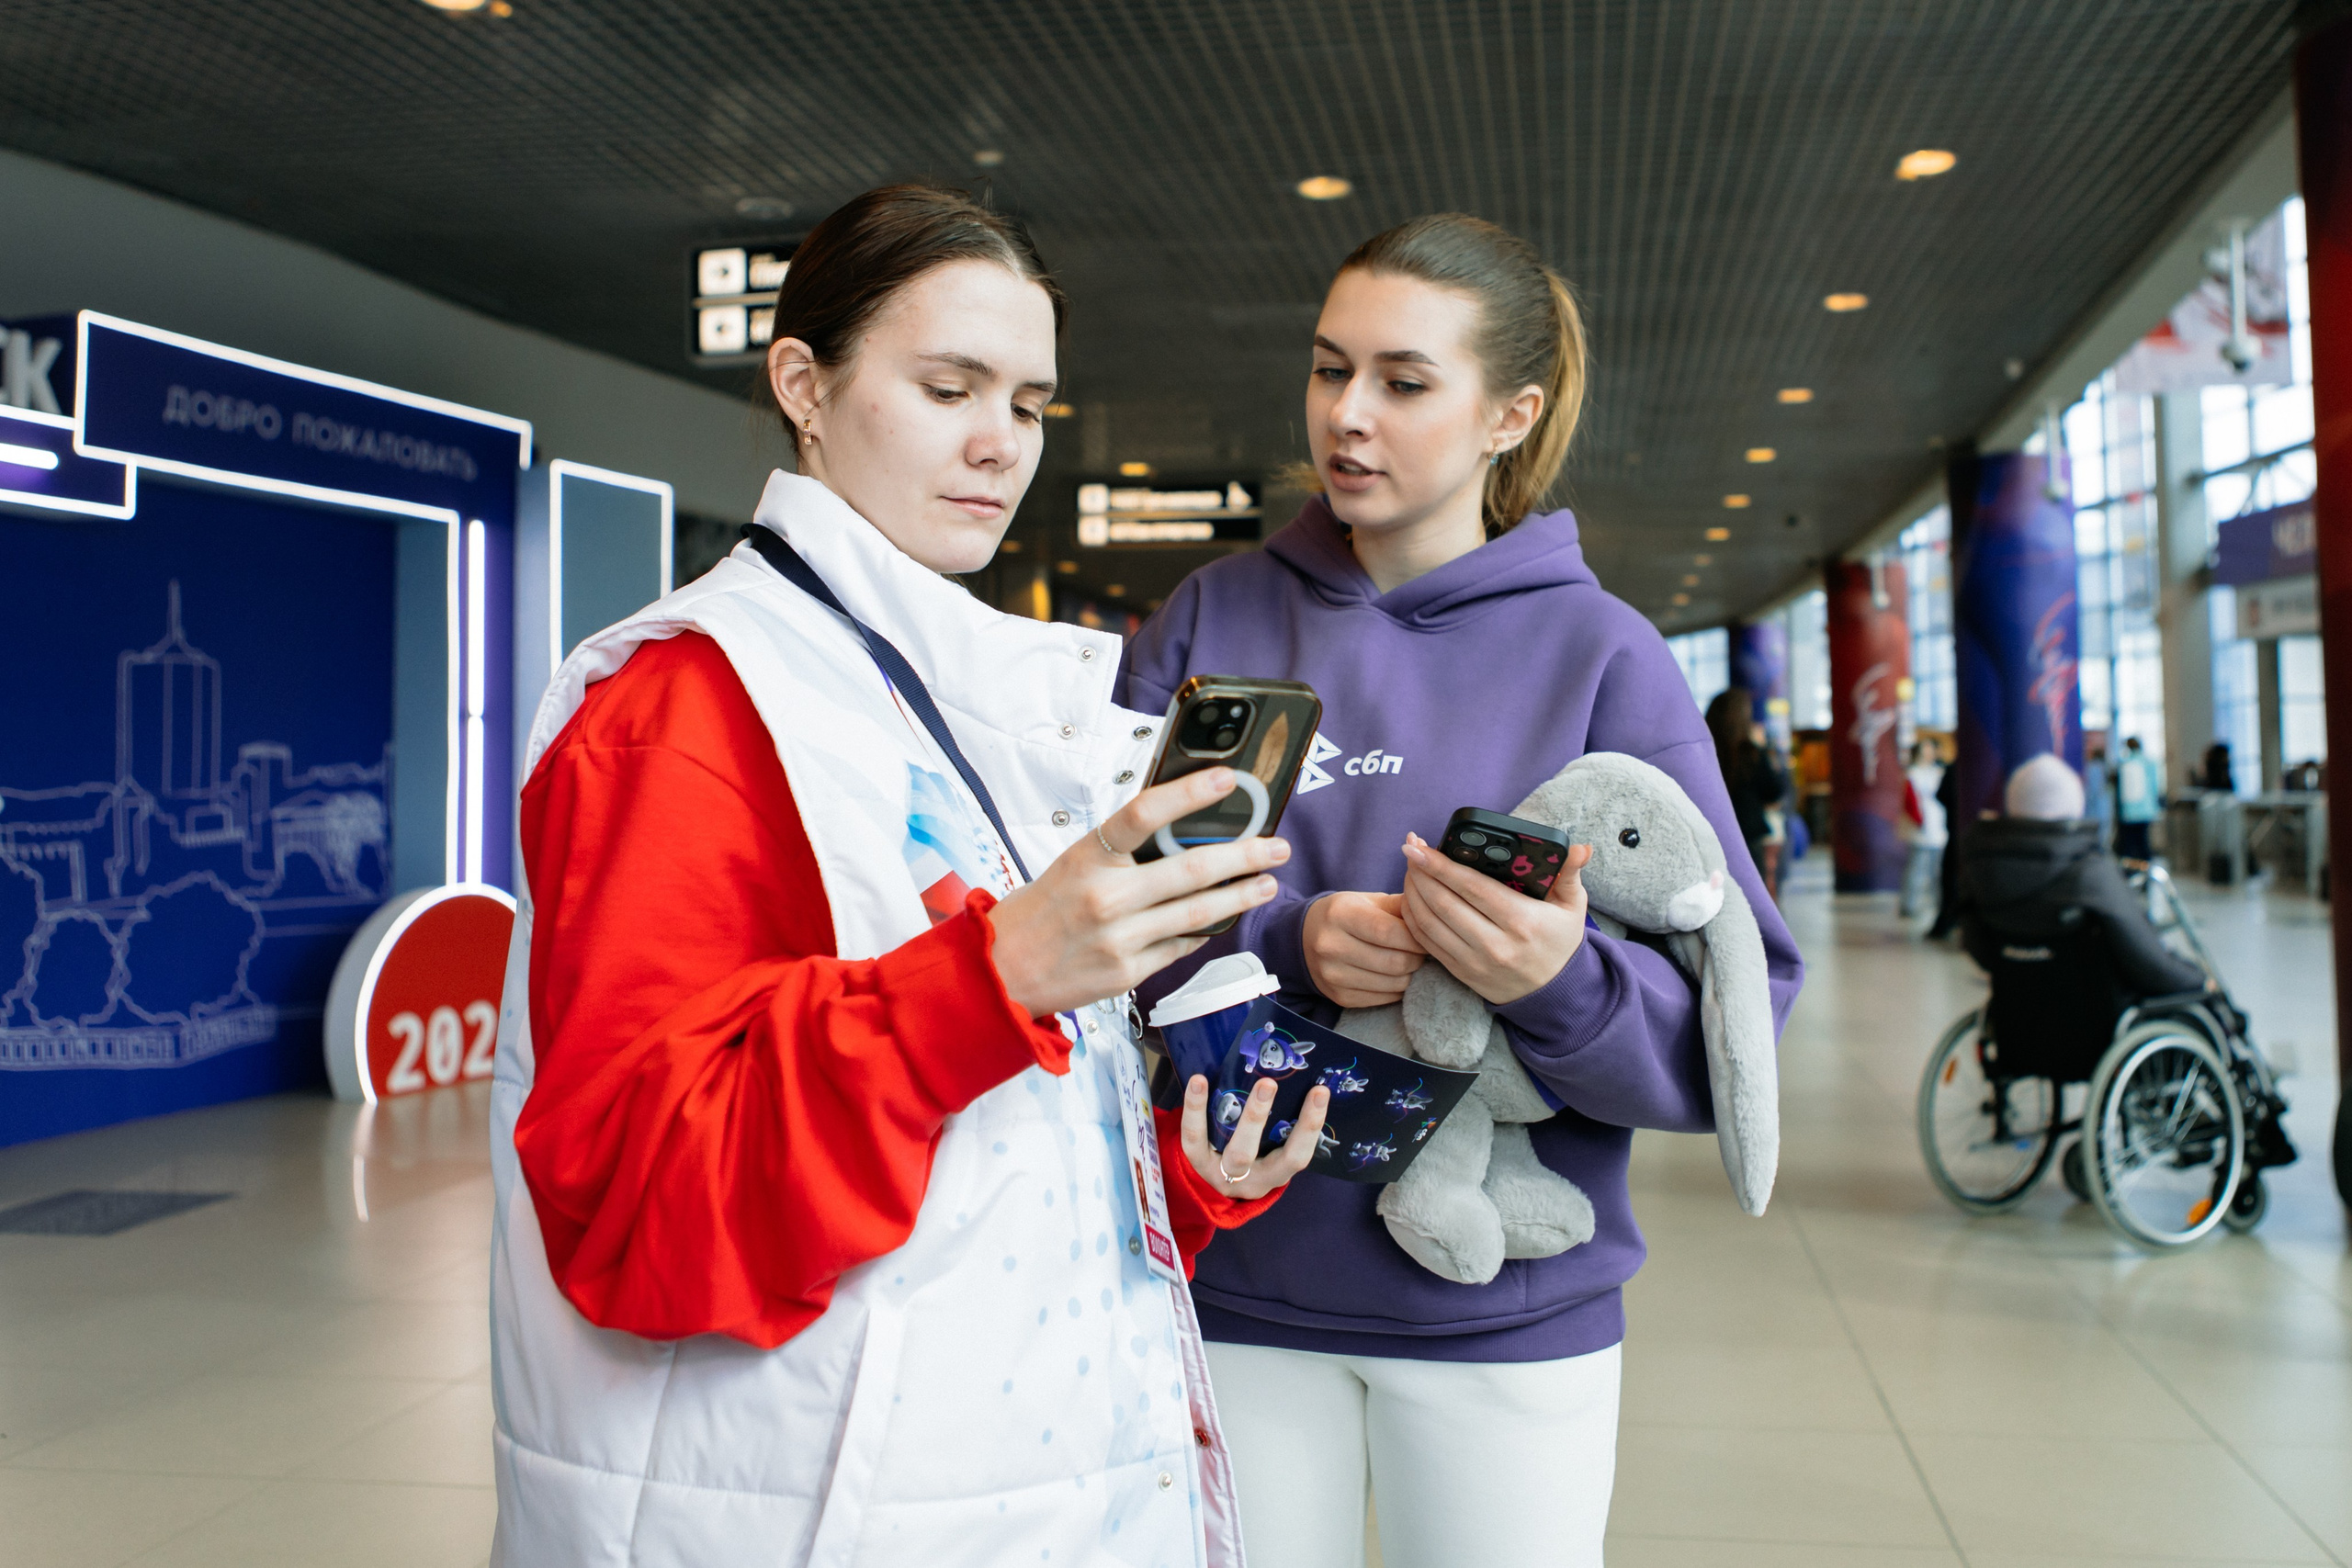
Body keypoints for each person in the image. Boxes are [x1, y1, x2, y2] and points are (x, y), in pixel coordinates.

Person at [488, 185, 1330, 1568]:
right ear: (803, 384)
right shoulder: (682, 708)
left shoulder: (974, 702)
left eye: (1033, 403)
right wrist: (998, 975)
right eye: (948, 387)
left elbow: (984, 1129)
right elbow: (639, 1197)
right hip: (810, 1489)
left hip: (1037, 1469)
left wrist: (1170, 1162)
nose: (1001, 444)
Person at [1117, 212, 1804, 1568]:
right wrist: (1287, 934)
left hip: (1507, 1302)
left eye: (1403, 379)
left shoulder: (1605, 655)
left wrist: (1553, 978)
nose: (1348, 414)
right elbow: (1080, 925)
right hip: (1229, 1279)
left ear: (1512, 413)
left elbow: (1733, 1024)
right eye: (1329, 370)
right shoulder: (1211, 618)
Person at [1959, 754, 2207, 1008]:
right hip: (2095, 1020)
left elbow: (1980, 949)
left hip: (2021, 1019)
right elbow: (2149, 962)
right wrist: (2196, 980)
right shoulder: (2090, 873)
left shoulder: (1980, 871)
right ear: (2074, 806)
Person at [1705, 687, 1790, 901]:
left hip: (1711, 835)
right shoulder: (1752, 753)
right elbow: (1775, 790)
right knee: (1753, 901)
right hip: (1749, 837)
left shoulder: (1704, 752)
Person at [1900, 739, 1947, 919]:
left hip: (1938, 827)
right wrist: (1919, 821)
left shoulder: (1937, 772)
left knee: (1937, 871)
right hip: (1921, 829)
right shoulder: (1912, 774)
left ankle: (1938, 904)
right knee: (1917, 869)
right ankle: (1909, 904)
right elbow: (1910, 802)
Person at [2115, 735, 2163, 861]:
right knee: (2143, 844)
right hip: (2145, 812)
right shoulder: (2148, 763)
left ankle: (2131, 874)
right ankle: (2145, 873)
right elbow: (2155, 787)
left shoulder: (2124, 764)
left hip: (2128, 813)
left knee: (2129, 846)